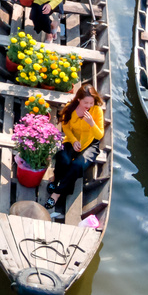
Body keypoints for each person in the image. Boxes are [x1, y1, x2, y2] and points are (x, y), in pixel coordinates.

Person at [44, 81, 105, 221]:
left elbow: (99, 135)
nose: (88, 106)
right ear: (79, 100)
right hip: (74, 140)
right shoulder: (70, 108)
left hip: (90, 143)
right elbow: (65, 127)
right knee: (63, 158)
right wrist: (73, 140)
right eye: (86, 102)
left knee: (77, 165)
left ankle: (57, 193)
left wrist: (92, 124)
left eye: (91, 103)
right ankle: (56, 178)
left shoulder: (97, 111)